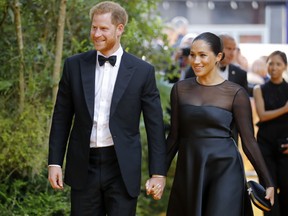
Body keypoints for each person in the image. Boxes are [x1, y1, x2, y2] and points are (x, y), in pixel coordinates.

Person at [48, 1, 166, 215]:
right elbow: (61, 117)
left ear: (119, 29)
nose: (96, 34)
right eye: (94, 27)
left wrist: (158, 173)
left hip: (122, 167)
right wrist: (54, 162)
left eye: (103, 28)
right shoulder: (73, 66)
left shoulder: (142, 71)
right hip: (84, 164)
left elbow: (155, 125)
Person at [166, 32, 274, 216]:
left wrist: (268, 182)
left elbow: (249, 141)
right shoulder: (180, 89)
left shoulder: (235, 93)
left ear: (218, 57)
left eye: (202, 55)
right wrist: (158, 174)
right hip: (192, 167)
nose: (196, 61)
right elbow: (174, 138)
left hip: (226, 168)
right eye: (193, 55)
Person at [253, 50, 288, 216]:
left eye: (278, 64)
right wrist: (285, 109)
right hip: (265, 144)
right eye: (270, 63)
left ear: (285, 67)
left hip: (286, 145)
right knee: (268, 188)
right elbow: (262, 115)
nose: (274, 67)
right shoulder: (259, 89)